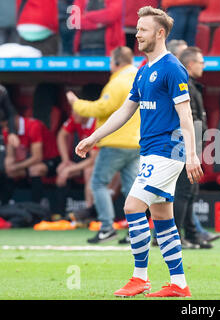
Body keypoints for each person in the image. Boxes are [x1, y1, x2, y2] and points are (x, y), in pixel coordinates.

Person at [75, 6, 203, 298]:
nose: (137, 34)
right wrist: (93, 137)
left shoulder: (171, 67)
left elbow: (186, 115)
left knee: (133, 207)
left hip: (167, 152)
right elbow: (125, 111)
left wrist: (192, 155)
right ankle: (179, 284)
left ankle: (140, 278)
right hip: (151, 152)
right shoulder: (143, 70)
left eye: (143, 29)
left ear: (160, 33)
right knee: (162, 218)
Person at [66, 46, 140, 244]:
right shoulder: (138, 76)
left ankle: (107, 228)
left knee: (98, 183)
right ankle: (136, 232)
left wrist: (76, 103)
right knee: (132, 189)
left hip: (116, 142)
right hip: (136, 143)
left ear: (116, 62)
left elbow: (101, 108)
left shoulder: (118, 82)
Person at [175, 46, 220, 249]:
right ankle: (175, 238)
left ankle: (192, 235)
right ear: (191, 64)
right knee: (184, 191)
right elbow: (188, 118)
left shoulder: (190, 84)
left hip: (191, 145)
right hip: (184, 146)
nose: (204, 66)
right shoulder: (185, 84)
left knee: (191, 191)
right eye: (202, 62)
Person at [1, 115, 61, 205]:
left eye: (7, 126)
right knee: (9, 171)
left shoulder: (33, 125)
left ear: (15, 119)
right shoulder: (8, 131)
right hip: (28, 162)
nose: (5, 129)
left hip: (51, 159)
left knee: (35, 169)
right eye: (3, 127)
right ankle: (6, 205)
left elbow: (37, 157)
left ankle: (36, 206)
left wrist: (16, 166)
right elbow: (10, 157)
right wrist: (9, 164)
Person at [55, 110, 97, 218]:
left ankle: (90, 212)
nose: (73, 115)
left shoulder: (96, 123)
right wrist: (66, 161)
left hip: (102, 161)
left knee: (88, 171)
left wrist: (70, 169)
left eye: (76, 112)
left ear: (85, 112)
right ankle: (61, 214)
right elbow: (61, 135)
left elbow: (94, 159)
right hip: (82, 160)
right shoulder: (76, 118)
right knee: (62, 168)